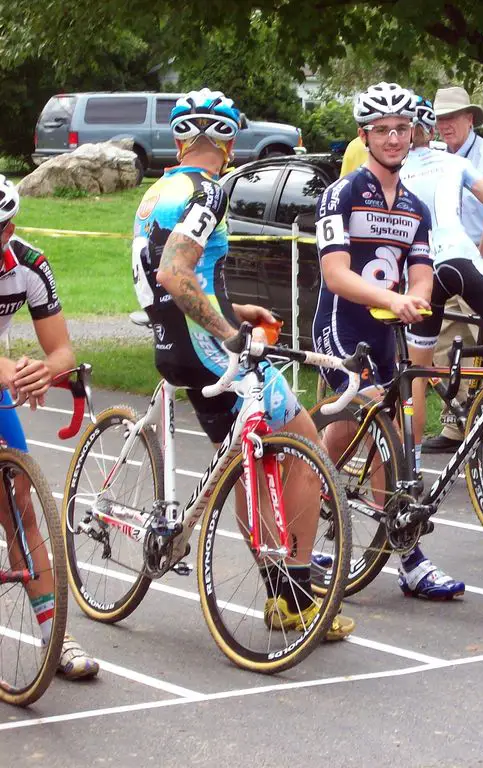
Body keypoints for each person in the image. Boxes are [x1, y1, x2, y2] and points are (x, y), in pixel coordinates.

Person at [132, 89, 355, 638]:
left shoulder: (160, 188)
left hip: (174, 346)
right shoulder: (210, 189)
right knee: (303, 447)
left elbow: (177, 279)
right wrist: (231, 332)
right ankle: (297, 597)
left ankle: (282, 595)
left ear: (180, 138)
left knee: (244, 464)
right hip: (211, 351)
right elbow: (175, 273)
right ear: (229, 143)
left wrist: (231, 308)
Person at [312, 83, 465, 600]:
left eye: (402, 129)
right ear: (365, 136)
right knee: (382, 429)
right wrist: (389, 295)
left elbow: (421, 270)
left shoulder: (416, 206)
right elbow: (334, 273)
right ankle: (403, 554)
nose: (395, 138)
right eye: (383, 130)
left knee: (353, 435)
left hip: (386, 333)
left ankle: (400, 555)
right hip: (342, 326)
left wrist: (415, 297)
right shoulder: (344, 193)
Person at [0, 176, 100, 680]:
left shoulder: (30, 265)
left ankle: (52, 634)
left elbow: (62, 350)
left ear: (8, 229)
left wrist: (45, 370)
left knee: (21, 504)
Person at [401, 95, 483, 458]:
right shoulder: (452, 161)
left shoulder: (392, 167)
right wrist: (480, 256)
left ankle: (410, 471)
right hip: (462, 258)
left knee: (418, 371)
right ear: (431, 129)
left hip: (423, 267)